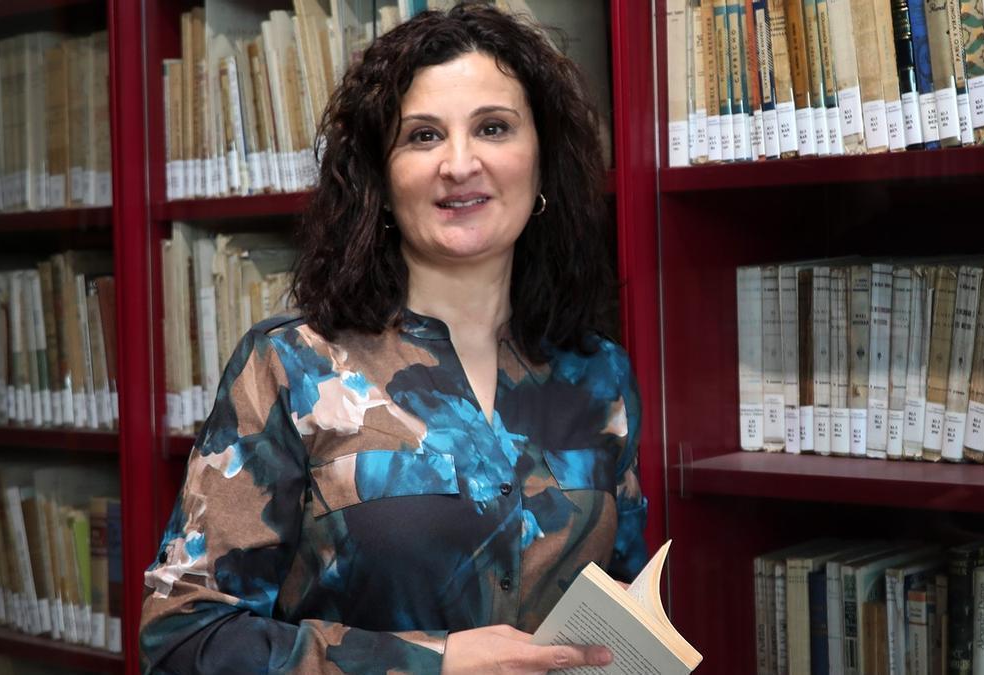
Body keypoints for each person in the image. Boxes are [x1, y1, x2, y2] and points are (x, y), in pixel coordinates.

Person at [139, 3, 647, 673]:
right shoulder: (292, 368)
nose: (459, 163)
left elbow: (624, 607)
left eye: (493, 128)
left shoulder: (597, 372)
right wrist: (428, 663)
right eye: (423, 136)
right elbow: (181, 640)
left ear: (543, 163)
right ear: (381, 180)